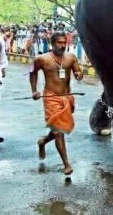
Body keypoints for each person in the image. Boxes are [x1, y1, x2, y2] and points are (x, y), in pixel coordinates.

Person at [30, 32, 83, 175]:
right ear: (52, 43)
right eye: (59, 42)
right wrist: (34, 90)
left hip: (67, 97)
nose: (63, 45)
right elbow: (33, 73)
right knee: (59, 132)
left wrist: (79, 74)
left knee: (60, 128)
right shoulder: (42, 59)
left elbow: (78, 72)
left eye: (64, 42)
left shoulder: (71, 57)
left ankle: (43, 142)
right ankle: (66, 164)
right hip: (51, 97)